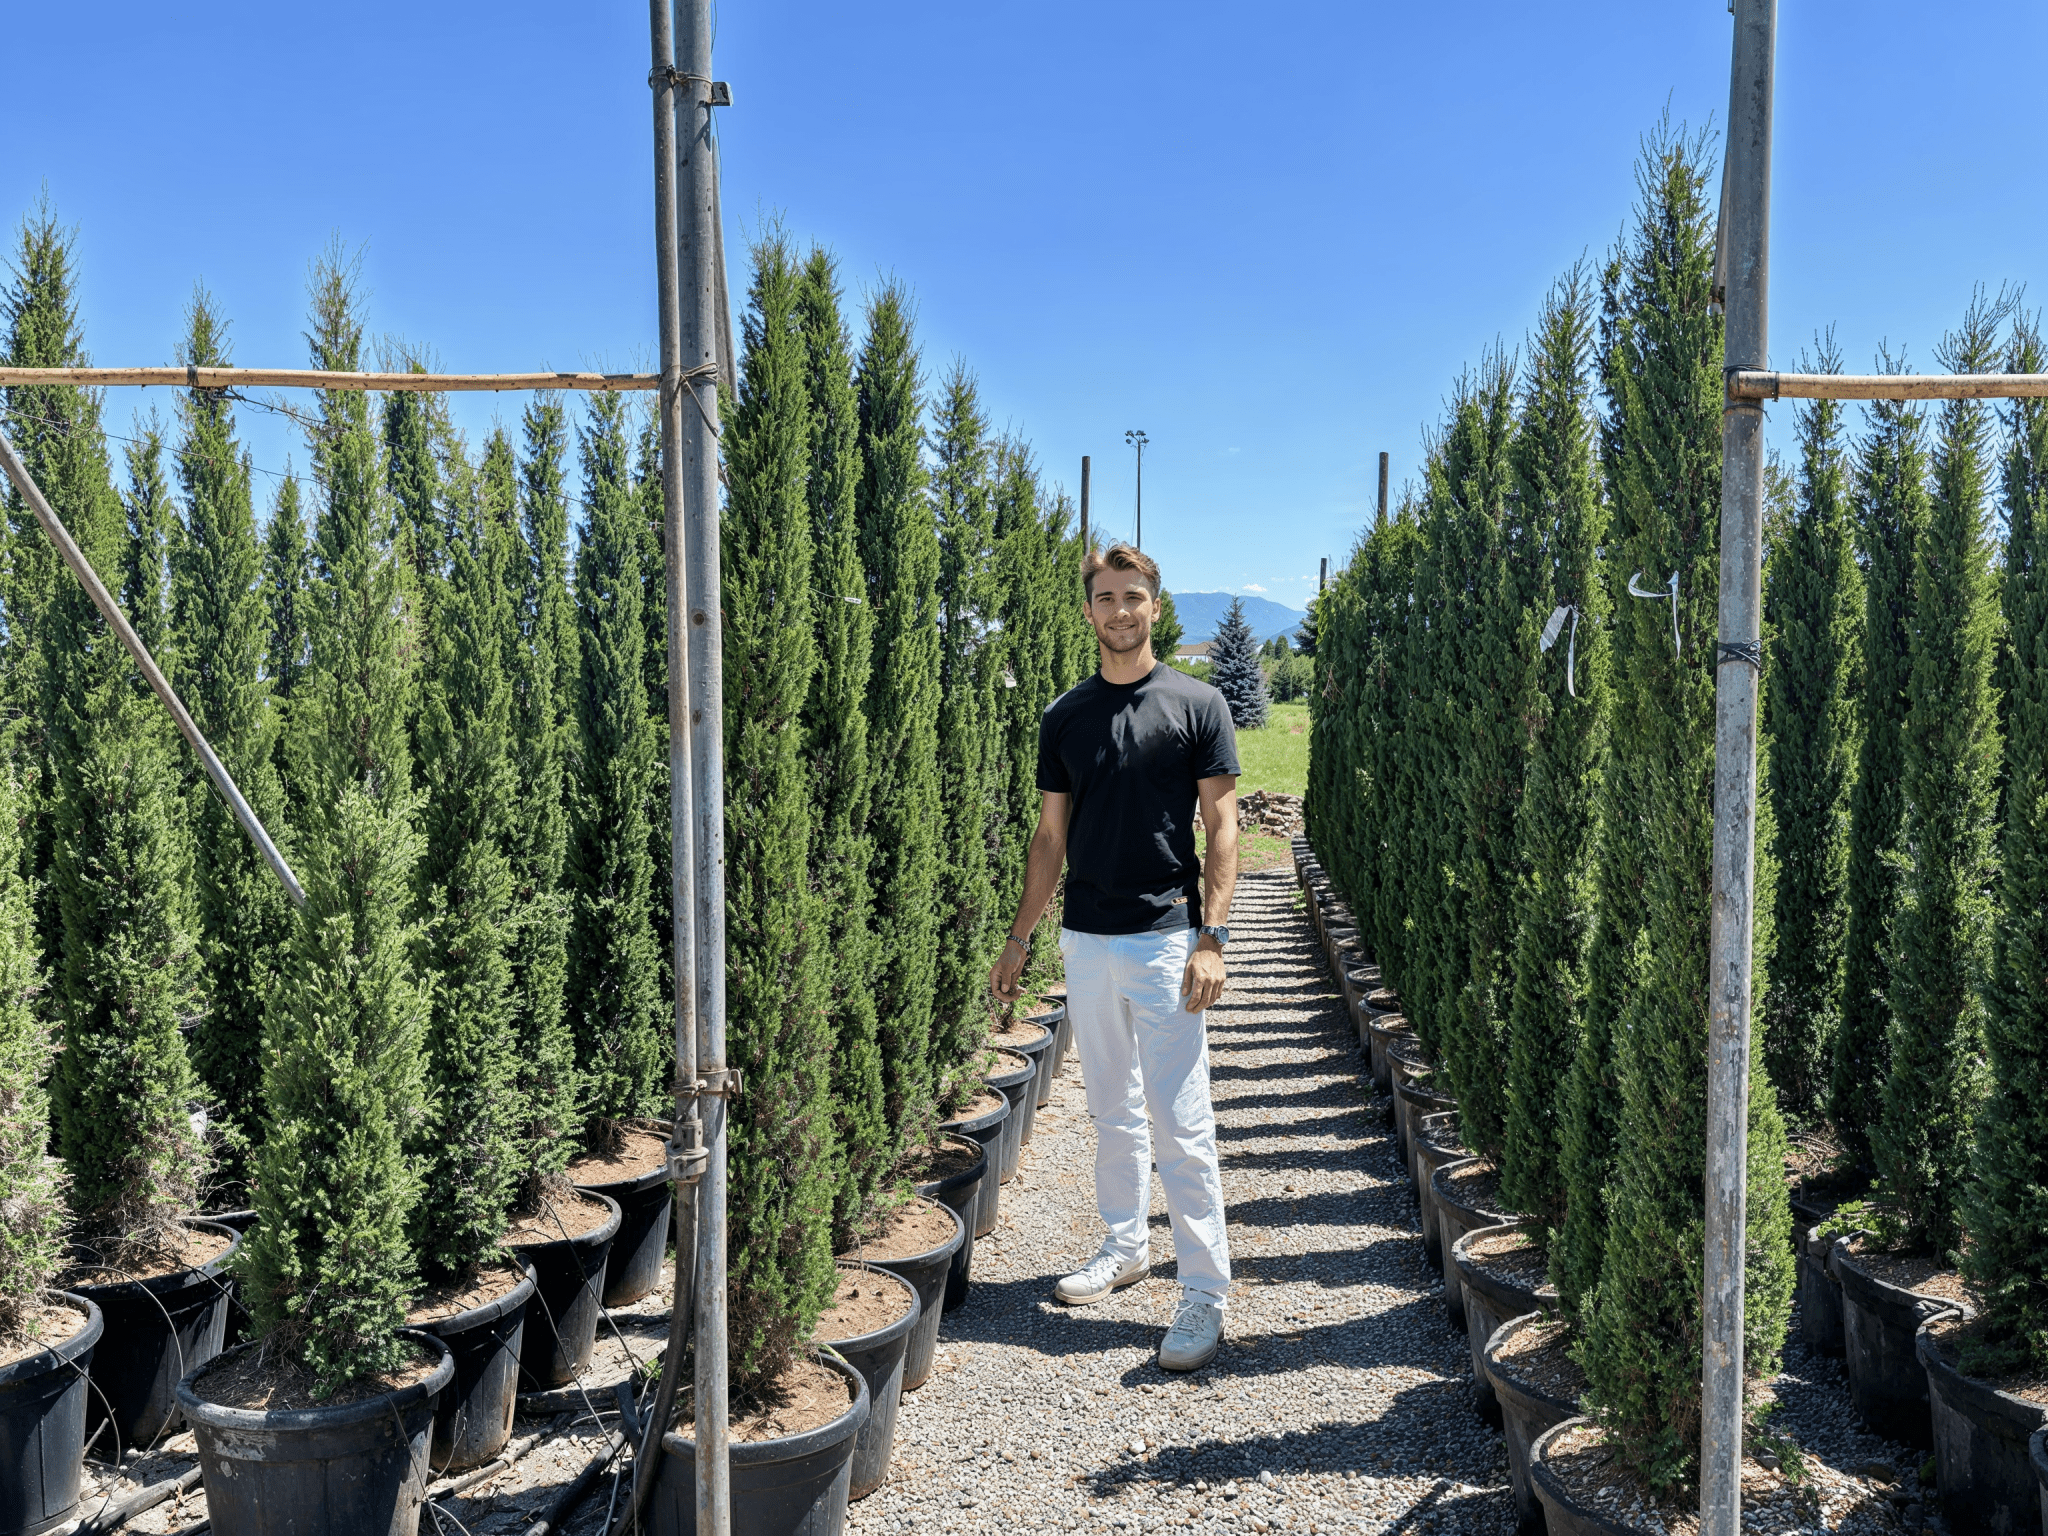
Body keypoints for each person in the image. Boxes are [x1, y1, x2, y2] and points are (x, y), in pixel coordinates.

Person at [989, 542, 1239, 1373]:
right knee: (1113, 1111)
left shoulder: (1199, 705)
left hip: (1169, 939)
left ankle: (1204, 1289)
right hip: (1086, 942)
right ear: (1089, 610)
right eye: (1106, 597)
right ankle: (1125, 1246)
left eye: (1134, 596)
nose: (1120, 610)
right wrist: (1021, 937)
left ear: (1155, 608)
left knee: (1180, 1117)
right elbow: (1050, 837)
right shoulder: (1065, 716)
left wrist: (1213, 937)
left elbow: (1224, 830)